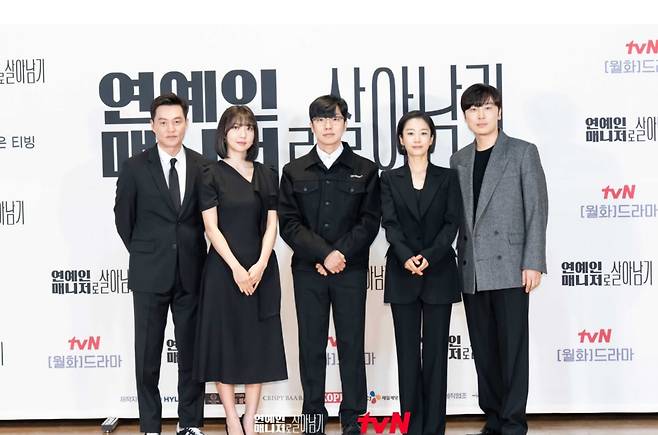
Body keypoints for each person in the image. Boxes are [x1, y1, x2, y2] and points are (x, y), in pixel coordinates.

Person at [278, 95, 381, 435]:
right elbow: (289, 223)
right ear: (311, 125)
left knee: (351, 344)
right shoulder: (293, 171)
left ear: (345, 123)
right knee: (311, 346)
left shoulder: (365, 169)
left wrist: (339, 256)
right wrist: (323, 254)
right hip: (309, 272)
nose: (327, 125)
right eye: (321, 120)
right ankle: (314, 420)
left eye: (334, 119)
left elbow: (369, 222)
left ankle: (353, 419)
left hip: (349, 271)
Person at [449, 84, 548, 435]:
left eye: (487, 108)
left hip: (511, 266)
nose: (480, 115)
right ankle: (492, 416)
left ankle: (512, 421)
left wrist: (533, 261)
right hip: (473, 268)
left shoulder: (522, 152)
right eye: (473, 109)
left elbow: (536, 208)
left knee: (513, 349)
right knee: (484, 350)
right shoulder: (459, 159)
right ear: (465, 117)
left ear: (499, 112)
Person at [114, 93, 207, 435]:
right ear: (152, 126)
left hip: (192, 272)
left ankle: (191, 423)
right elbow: (124, 219)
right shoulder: (135, 167)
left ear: (186, 123)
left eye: (177, 121)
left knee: (192, 354)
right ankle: (150, 426)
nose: (171, 128)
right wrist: (147, 251)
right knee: (148, 356)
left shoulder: (202, 165)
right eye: (163, 122)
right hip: (150, 273)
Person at [194, 105, 287, 435]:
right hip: (224, 271)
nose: (243, 133)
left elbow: (272, 222)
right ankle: (231, 417)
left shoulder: (266, 173)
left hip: (261, 269)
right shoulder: (210, 173)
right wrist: (236, 268)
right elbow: (211, 227)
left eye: (248, 127)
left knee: (257, 344)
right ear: (224, 133)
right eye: (236, 127)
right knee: (225, 343)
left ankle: (251, 416)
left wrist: (260, 264)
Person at [380, 111, 462, 435]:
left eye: (423, 132)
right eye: (410, 133)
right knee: (407, 356)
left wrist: (428, 256)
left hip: (439, 271)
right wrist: (406, 257)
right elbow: (390, 224)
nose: (416, 138)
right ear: (401, 140)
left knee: (436, 356)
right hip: (402, 274)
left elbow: (451, 222)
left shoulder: (448, 177)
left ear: (432, 138)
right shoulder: (388, 179)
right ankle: (412, 428)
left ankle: (434, 428)